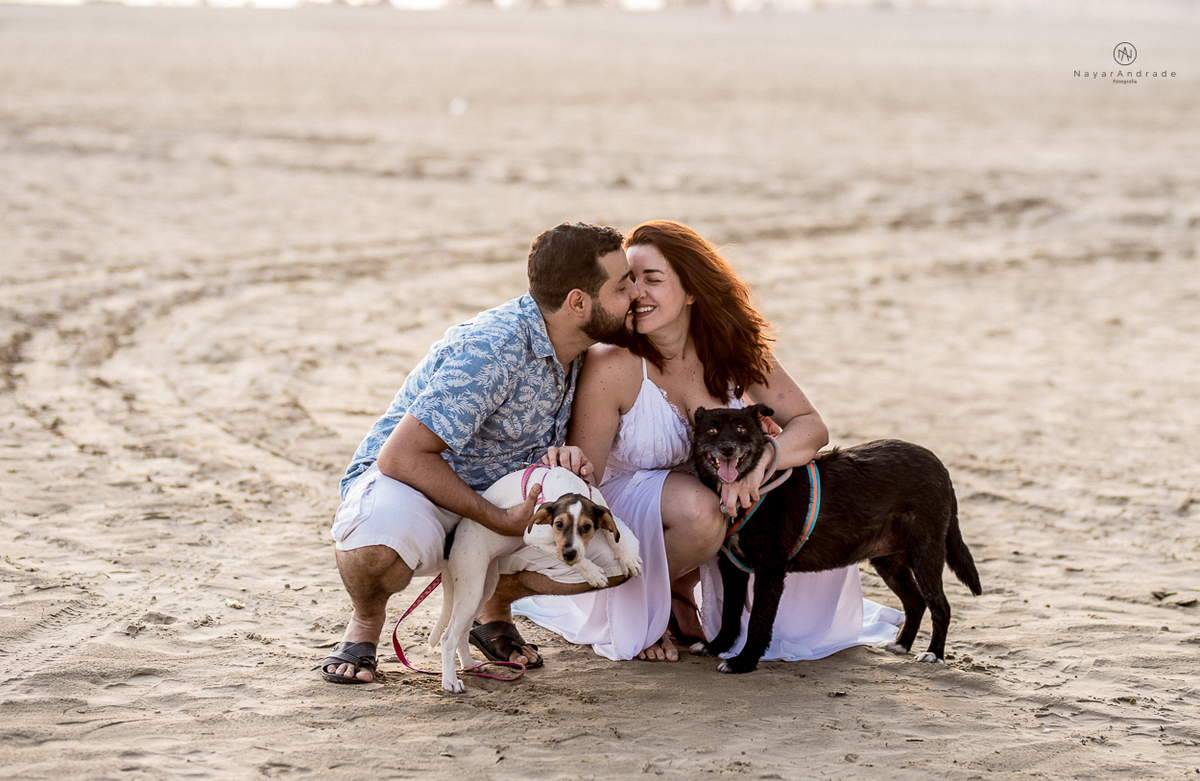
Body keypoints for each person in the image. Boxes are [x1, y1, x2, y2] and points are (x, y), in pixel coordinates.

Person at [514, 220, 902, 661]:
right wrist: (567, 463)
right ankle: (653, 607)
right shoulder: (612, 364)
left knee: (797, 628)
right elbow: (592, 481)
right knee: (701, 510)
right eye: (628, 280)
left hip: (723, 497)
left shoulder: (733, 349)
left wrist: (764, 461)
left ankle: (686, 588)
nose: (637, 293)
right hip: (635, 502)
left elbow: (810, 425)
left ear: (693, 290)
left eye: (653, 280)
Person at [321, 222, 639, 684]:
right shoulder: (494, 347)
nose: (633, 294)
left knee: (614, 563)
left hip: (501, 501)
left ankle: (490, 611)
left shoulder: (581, 348)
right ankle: (365, 626)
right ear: (578, 302)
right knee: (376, 548)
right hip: (418, 489)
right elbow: (402, 458)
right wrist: (495, 517)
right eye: (622, 285)